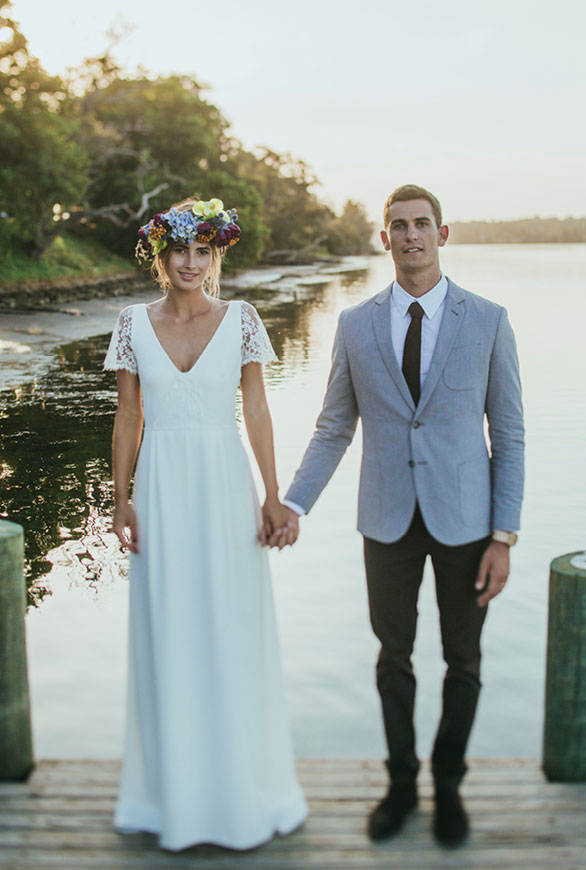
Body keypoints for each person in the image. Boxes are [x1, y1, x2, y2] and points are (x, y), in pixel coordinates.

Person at [274, 184, 524, 846]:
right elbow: (333, 427)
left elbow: (509, 434)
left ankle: (446, 786)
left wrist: (503, 534)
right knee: (393, 658)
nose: (409, 235)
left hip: (467, 524)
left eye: (421, 224)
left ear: (443, 234)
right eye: (397, 226)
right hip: (384, 520)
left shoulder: (488, 320)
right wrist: (292, 502)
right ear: (383, 239)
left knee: (463, 660)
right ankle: (400, 783)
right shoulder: (355, 326)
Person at [103, 195, 307, 852]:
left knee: (230, 628)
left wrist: (274, 495)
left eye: (203, 251)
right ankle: (168, 798)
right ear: (160, 256)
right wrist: (119, 496)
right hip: (160, 490)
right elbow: (128, 417)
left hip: (224, 488)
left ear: (215, 255)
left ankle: (242, 793)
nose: (190, 263)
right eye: (179, 250)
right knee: (168, 631)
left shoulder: (243, 319)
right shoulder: (132, 323)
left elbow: (257, 410)